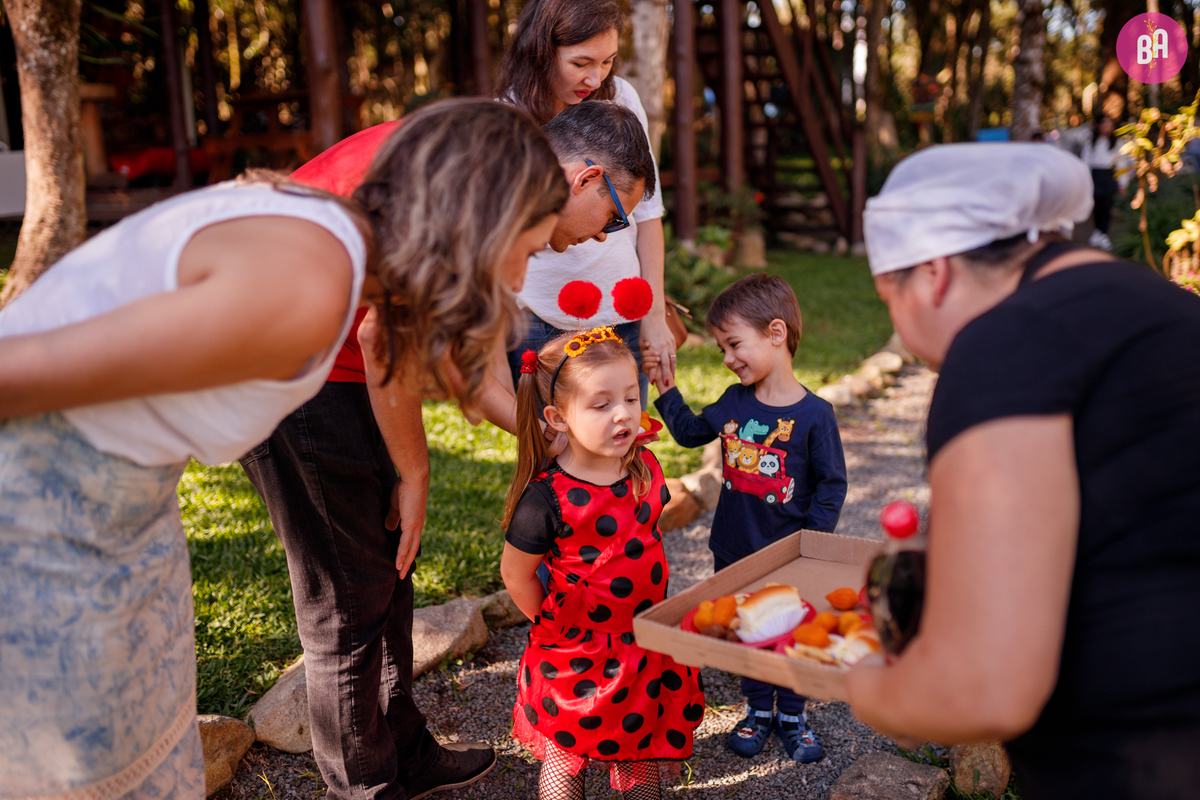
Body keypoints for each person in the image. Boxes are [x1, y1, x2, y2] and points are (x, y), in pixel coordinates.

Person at [0, 99, 568, 800]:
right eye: (527, 251)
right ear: (477, 226)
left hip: (126, 508)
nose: (519, 281)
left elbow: (396, 341)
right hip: (45, 517)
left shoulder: (338, 246)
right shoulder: (304, 282)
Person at [238, 98, 659, 800]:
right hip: (283, 361)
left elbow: (473, 375)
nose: (599, 239)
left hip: (339, 360)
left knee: (389, 569)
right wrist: (416, 471)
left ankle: (403, 755)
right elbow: (386, 339)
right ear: (586, 180)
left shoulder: (498, 177)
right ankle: (365, 789)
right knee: (347, 602)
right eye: (615, 218)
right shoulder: (478, 181)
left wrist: (570, 439)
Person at [847, 143, 1200, 799]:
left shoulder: (1002, 345)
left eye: (888, 299)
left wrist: (873, 689)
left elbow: (983, 688)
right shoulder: (1168, 307)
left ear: (933, 272)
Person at [646, 273, 847, 763]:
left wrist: (810, 546)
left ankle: (792, 715)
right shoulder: (734, 402)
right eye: (722, 349)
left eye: (734, 344)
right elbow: (691, 433)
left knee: (791, 632)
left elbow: (832, 485)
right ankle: (757, 710)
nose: (727, 358)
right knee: (747, 631)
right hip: (734, 549)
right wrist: (666, 389)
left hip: (788, 557)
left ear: (776, 333)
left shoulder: (816, 416)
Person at [499, 328, 705, 800]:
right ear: (558, 418)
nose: (623, 414)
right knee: (566, 754)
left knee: (639, 746)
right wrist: (550, 622)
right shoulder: (546, 500)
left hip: (644, 643)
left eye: (631, 398)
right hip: (577, 653)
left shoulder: (645, 467)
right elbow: (516, 573)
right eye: (601, 404)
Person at [495, 0, 675, 403]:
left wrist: (654, 316)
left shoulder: (621, 98)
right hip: (539, 316)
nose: (595, 78)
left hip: (623, 306)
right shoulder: (507, 118)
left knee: (622, 430)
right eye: (581, 63)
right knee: (550, 435)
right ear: (542, 52)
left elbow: (648, 212)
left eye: (607, 61)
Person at [1058, 114, 1129, 251]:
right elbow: (1085, 162)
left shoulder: (1116, 143)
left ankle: (1103, 233)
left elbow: (1122, 163)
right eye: (1104, 124)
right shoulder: (1091, 142)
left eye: (1109, 124)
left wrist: (1123, 182)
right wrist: (1083, 180)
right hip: (1095, 175)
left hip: (1109, 175)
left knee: (1107, 204)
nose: (1106, 127)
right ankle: (1098, 231)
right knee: (1096, 204)